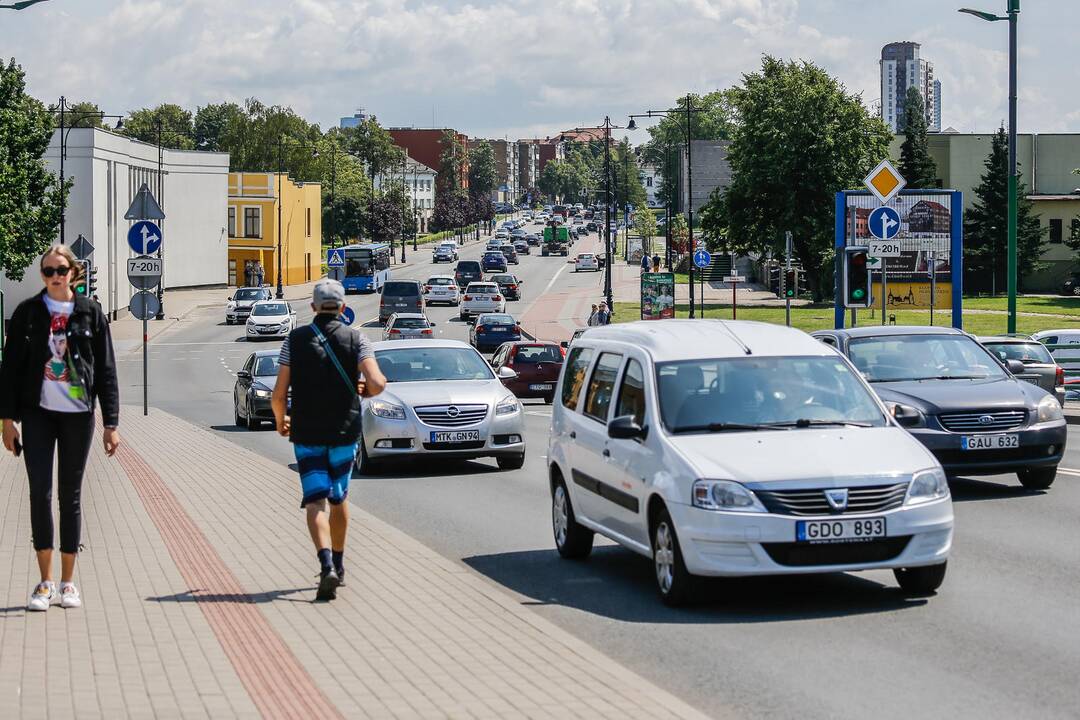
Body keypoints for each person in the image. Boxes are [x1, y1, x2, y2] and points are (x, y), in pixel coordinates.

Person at [0, 245, 120, 612]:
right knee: (39, 493)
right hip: (37, 414)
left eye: (61, 270)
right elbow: (11, 369)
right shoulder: (28, 313)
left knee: (70, 495)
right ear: (43, 275)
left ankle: (69, 583)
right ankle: (44, 582)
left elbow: (106, 371)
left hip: (78, 416)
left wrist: (111, 424)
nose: (55, 276)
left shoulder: (91, 313)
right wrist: (7, 421)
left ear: (73, 273)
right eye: (48, 270)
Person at [272, 279, 386, 602]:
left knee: (315, 501)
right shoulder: (357, 338)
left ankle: (325, 567)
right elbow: (378, 382)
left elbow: (279, 394)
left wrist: (282, 422)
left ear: (312, 307)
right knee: (339, 497)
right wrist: (364, 388)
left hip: (307, 432)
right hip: (344, 432)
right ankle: (339, 562)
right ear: (344, 308)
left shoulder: (294, 340)